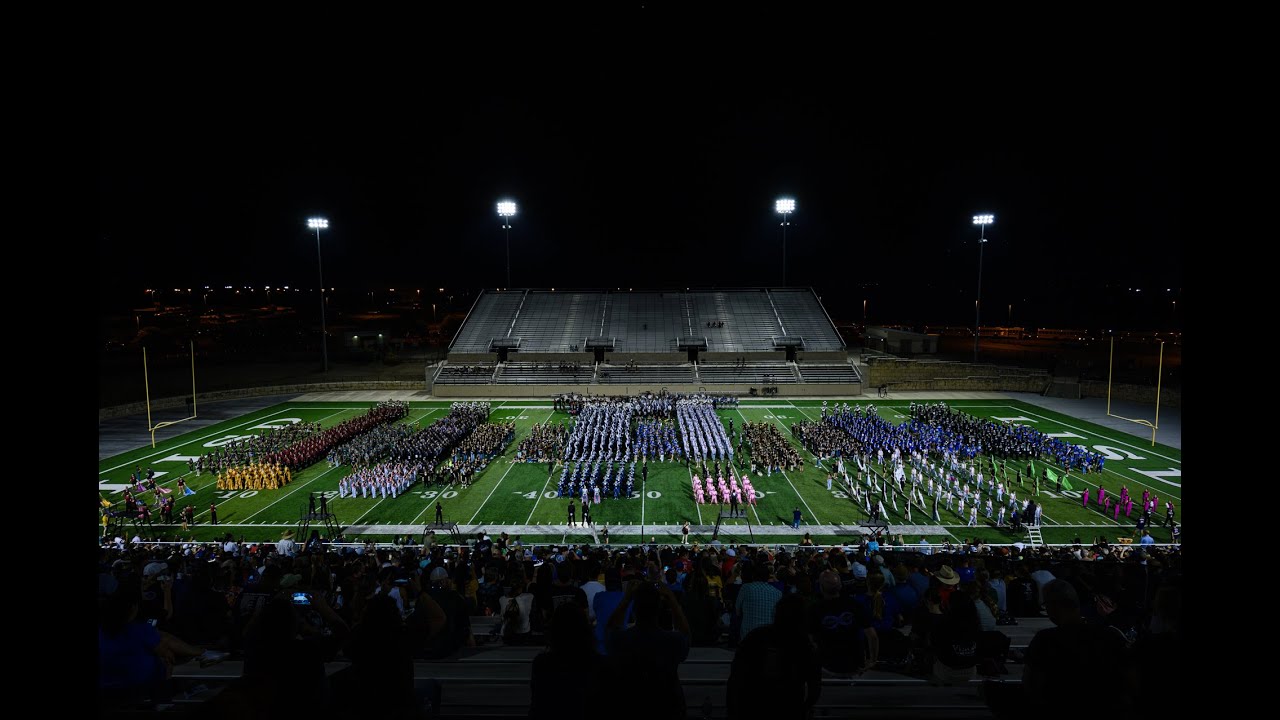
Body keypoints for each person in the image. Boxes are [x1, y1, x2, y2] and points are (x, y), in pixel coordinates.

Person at [605, 581, 691, 719]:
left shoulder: (622, 640)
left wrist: (627, 599)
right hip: (667, 709)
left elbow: (611, 628)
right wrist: (672, 600)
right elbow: (685, 634)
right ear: (659, 609)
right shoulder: (671, 641)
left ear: (634, 609)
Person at [729, 593, 822, 719]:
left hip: (753, 706)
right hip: (788, 707)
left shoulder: (755, 637)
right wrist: (803, 708)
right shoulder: (806, 646)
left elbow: (736, 677)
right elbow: (814, 688)